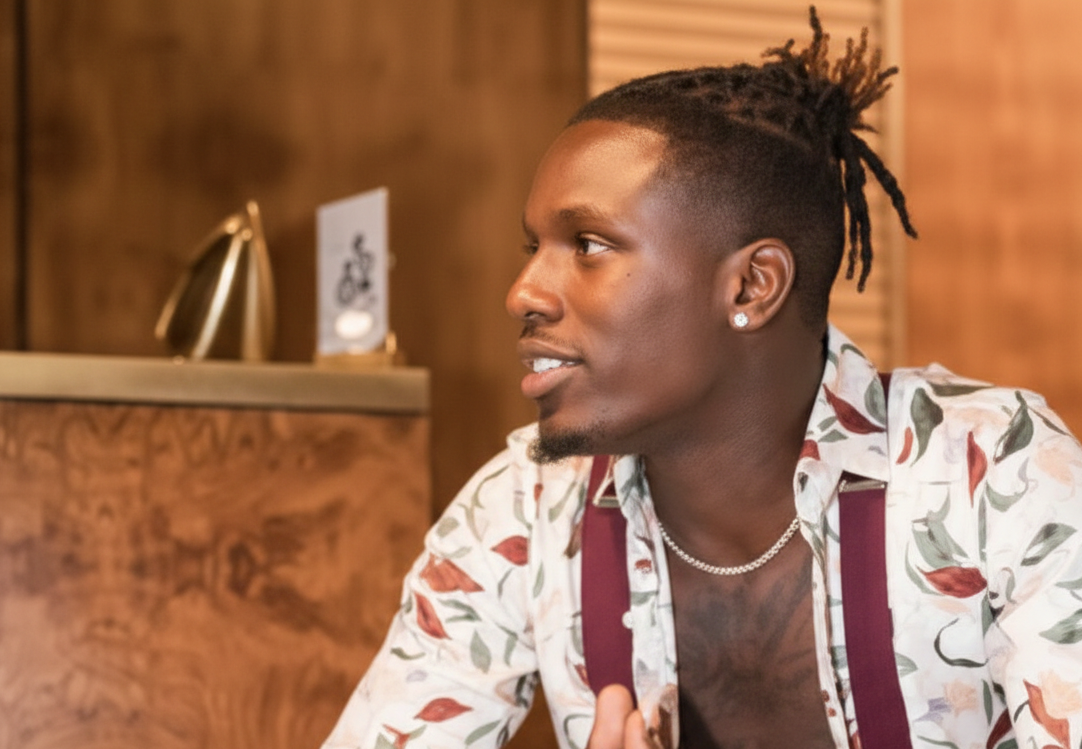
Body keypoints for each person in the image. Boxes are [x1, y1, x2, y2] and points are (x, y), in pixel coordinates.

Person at [322, 7, 1082, 749]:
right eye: (534, 248)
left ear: (751, 286)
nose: (523, 293)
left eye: (588, 244)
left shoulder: (993, 476)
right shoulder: (525, 512)